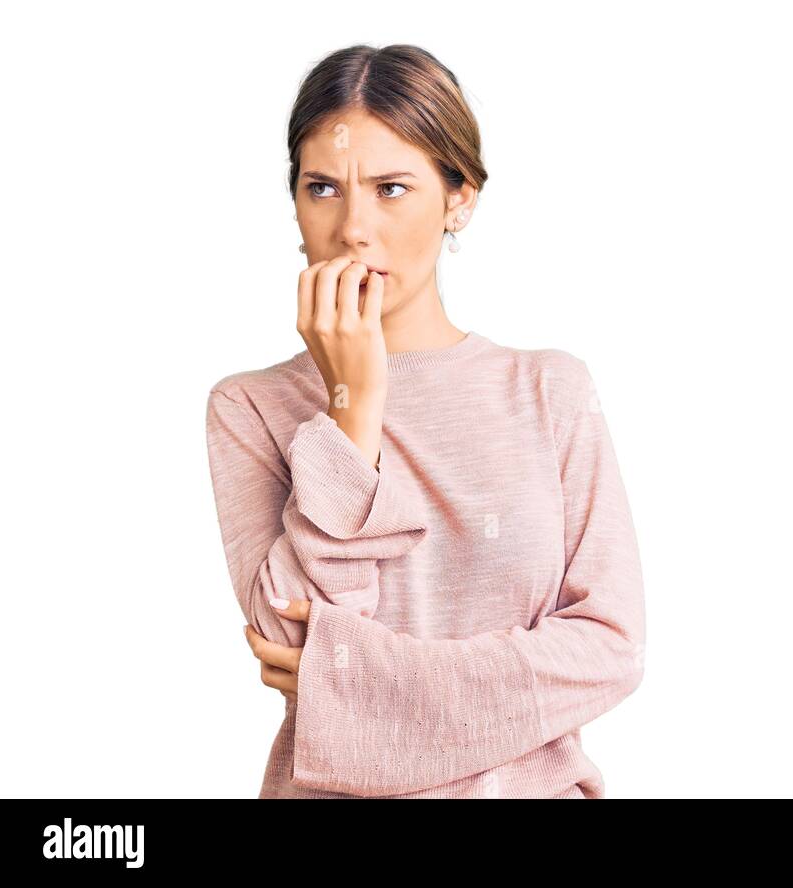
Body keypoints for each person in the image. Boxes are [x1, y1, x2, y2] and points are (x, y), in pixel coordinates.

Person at [204, 44, 646, 799]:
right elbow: (286, 643)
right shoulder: (249, 407)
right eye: (323, 188)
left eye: (391, 187)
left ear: (459, 198)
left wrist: (356, 676)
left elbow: (610, 651)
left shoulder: (549, 390)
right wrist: (353, 407)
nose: (353, 228)